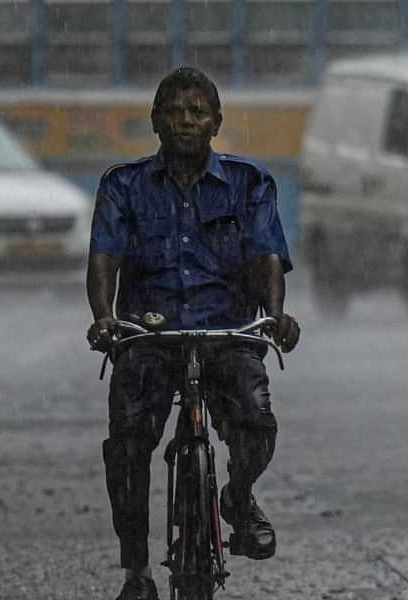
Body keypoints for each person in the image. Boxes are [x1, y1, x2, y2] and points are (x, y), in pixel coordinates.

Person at [86, 67, 301, 600]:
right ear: (155, 121)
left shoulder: (250, 184)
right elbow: (104, 258)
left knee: (255, 420)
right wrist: (104, 317)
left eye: (198, 112)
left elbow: (266, 256)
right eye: (175, 111)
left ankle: (239, 495)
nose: (186, 120)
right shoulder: (123, 186)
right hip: (147, 336)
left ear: (217, 123)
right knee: (129, 445)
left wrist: (275, 315)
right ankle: (137, 571)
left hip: (229, 333)